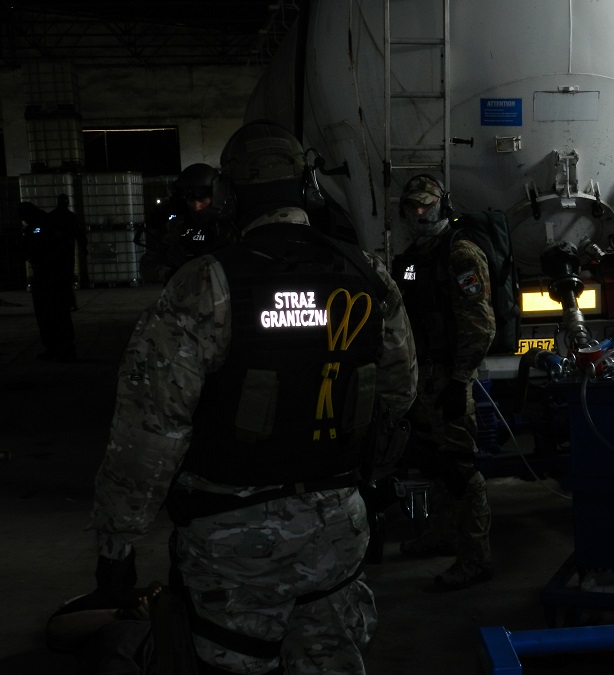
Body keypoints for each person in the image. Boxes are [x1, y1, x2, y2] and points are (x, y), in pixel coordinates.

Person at [89, 120, 418, 674]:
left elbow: (150, 429)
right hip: (337, 532)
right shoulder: (368, 275)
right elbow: (400, 392)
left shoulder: (205, 284)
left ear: (228, 195)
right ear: (309, 187)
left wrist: (117, 540)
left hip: (233, 545)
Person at [390, 174, 496, 591]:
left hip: (448, 377)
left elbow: (481, 324)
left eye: (427, 205)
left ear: (443, 205)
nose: (420, 213)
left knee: (459, 467)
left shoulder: (460, 253)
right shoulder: (415, 255)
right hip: (422, 376)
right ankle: (441, 534)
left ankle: (475, 558)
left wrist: (459, 379)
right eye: (413, 206)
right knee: (433, 461)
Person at [20, 200, 77, 362]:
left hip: (50, 276)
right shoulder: (44, 223)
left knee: (52, 314)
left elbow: (35, 249)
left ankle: (60, 348)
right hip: (49, 276)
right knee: (52, 314)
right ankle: (59, 348)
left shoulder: (42, 226)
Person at [48, 193, 87, 311]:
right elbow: (79, 234)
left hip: (54, 253)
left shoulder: (51, 216)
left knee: (57, 279)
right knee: (66, 279)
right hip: (67, 253)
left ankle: (60, 303)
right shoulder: (71, 216)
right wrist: (83, 248)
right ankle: (69, 303)